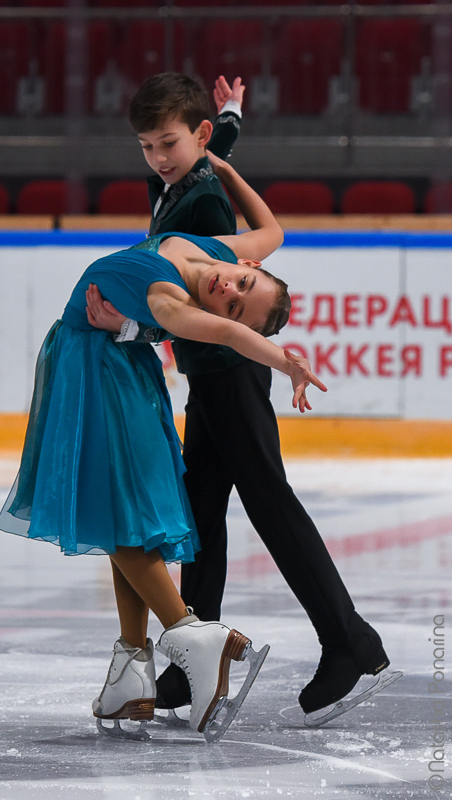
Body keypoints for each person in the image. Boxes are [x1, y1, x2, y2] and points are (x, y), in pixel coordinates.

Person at [85, 72, 394, 723]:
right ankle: (197, 661)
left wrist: (135, 327)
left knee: (270, 506)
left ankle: (350, 640)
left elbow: (207, 297)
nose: (158, 158)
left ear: (190, 139)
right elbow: (207, 154)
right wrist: (228, 119)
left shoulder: (201, 204)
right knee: (199, 517)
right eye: (148, 146)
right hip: (210, 380)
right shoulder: (180, 178)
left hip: (232, 375)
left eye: (167, 144)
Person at [0, 152, 327, 742]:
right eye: (243, 283)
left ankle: (192, 633)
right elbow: (274, 231)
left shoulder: (173, 302)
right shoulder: (217, 253)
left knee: (108, 515)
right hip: (122, 371)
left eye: (232, 301)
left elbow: (227, 330)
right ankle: (132, 667)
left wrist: (285, 361)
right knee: (128, 519)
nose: (228, 290)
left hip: (92, 373)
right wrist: (225, 171)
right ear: (245, 264)